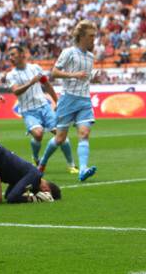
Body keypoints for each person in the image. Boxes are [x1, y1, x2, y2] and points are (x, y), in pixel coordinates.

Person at [39, 20, 101, 182]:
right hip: (68, 99)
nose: (94, 39)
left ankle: (82, 169)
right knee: (60, 138)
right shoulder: (69, 52)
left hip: (84, 100)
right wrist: (73, 75)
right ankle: (42, 164)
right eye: (91, 36)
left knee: (84, 133)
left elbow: (85, 77)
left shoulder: (91, 56)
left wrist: (94, 77)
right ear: (81, 36)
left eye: (94, 35)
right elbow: (54, 72)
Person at [6, 45, 78, 174]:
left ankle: (71, 165)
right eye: (10, 55)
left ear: (22, 54)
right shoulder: (11, 75)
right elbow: (16, 91)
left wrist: (57, 101)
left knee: (60, 135)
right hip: (28, 111)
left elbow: (47, 84)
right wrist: (31, 83)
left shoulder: (35, 68)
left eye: (13, 54)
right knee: (38, 134)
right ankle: (35, 158)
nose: (10, 58)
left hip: (44, 107)